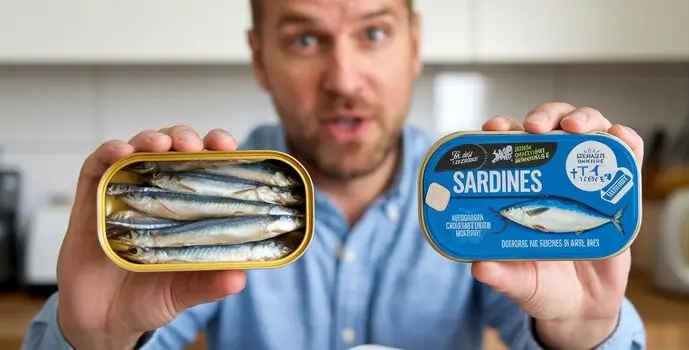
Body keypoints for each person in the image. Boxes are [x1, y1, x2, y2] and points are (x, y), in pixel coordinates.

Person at [22, 0, 647, 349]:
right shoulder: (214, 215)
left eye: (373, 32)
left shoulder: (476, 195)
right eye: (303, 40)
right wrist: (92, 342)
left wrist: (588, 332)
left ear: (414, 45)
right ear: (259, 58)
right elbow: (116, 326)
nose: (344, 79)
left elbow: (559, 318)